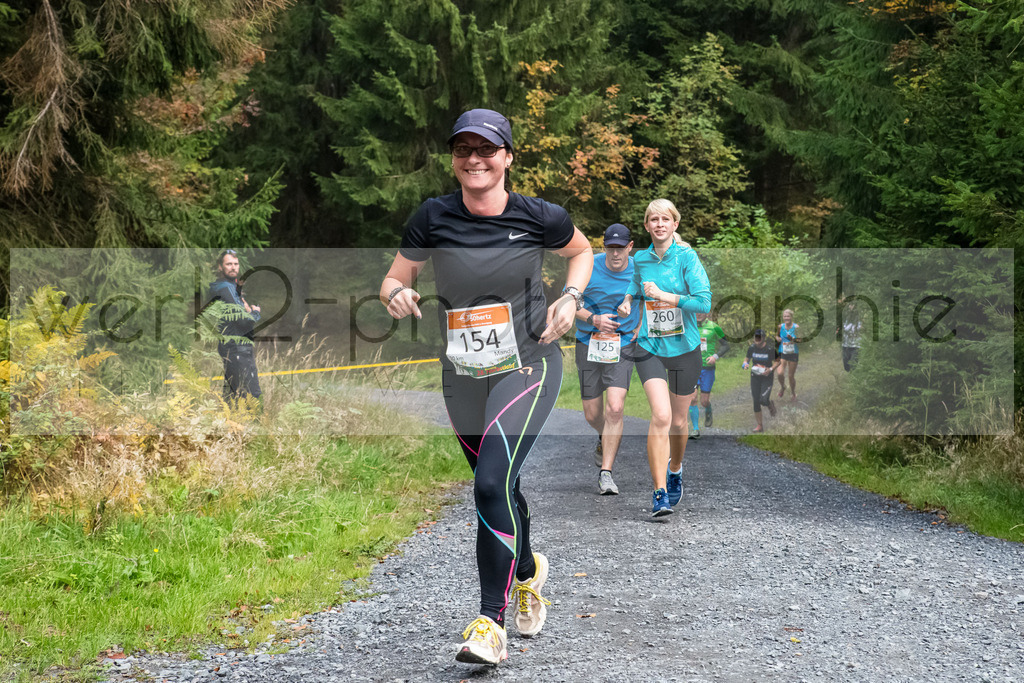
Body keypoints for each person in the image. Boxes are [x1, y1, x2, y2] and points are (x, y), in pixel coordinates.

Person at [380, 109, 593, 666]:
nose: (474, 159)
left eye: (487, 149)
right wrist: (395, 295)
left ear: (508, 157)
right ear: (453, 159)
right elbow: (396, 277)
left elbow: (582, 252)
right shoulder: (433, 216)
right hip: (463, 374)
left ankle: (487, 625)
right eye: (463, 149)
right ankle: (527, 571)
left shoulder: (539, 215)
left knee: (491, 480)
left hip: (529, 363)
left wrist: (570, 298)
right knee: (496, 484)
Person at [617, 199, 711, 518]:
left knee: (680, 421)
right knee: (661, 415)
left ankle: (676, 467)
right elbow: (635, 282)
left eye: (665, 219)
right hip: (650, 346)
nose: (659, 224)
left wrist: (665, 297)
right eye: (653, 219)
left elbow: (704, 303)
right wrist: (630, 299)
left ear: (675, 225)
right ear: (646, 226)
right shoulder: (641, 258)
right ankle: (659, 494)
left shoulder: (686, 257)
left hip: (685, 349)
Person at [574, 223, 641, 495]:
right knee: (593, 414)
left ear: (630, 246)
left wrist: (640, 328)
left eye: (621, 248)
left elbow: (652, 300)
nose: (615, 253)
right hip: (588, 341)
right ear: (604, 247)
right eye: (610, 248)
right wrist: (594, 318)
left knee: (615, 408)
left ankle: (606, 473)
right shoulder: (589, 266)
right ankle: (603, 435)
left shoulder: (640, 268)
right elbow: (571, 302)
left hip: (623, 344)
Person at [207, 250, 262, 404]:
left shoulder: (230, 287)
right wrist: (256, 313)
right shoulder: (225, 288)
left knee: (233, 393)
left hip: (234, 345)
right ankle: (255, 425)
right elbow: (242, 320)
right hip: (236, 347)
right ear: (220, 267)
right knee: (253, 394)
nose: (233, 267)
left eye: (235, 264)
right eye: (229, 264)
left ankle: (230, 425)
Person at [691, 311, 730, 436]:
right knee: (692, 398)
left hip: (707, 368)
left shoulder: (714, 327)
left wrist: (715, 356)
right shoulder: (689, 326)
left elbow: (726, 345)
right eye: (696, 312)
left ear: (707, 313)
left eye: (702, 312)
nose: (699, 314)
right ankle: (695, 429)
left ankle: (708, 410)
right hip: (692, 367)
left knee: (704, 401)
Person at [743, 328, 779, 433]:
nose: (757, 339)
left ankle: (769, 404)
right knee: (756, 401)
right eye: (756, 337)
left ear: (763, 338)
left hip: (767, 377)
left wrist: (771, 369)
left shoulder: (769, 349)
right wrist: (745, 364)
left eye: (759, 337)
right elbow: (747, 359)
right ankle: (760, 425)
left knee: (763, 399)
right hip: (755, 377)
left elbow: (778, 361)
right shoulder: (752, 348)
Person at [776, 308, 802, 401]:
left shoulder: (796, 327)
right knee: (779, 373)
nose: (786, 318)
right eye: (785, 316)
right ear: (783, 317)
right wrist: (778, 338)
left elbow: (800, 340)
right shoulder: (780, 326)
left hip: (793, 353)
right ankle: (783, 387)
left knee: (790, 376)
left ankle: (793, 392)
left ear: (791, 317)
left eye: (788, 316)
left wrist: (793, 339)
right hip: (782, 352)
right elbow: (777, 335)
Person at [839, 300, 862, 372]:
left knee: (853, 363)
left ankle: (853, 379)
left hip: (856, 344)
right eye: (849, 305)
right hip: (846, 344)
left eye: (852, 305)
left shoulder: (859, 317)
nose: (850, 307)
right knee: (846, 364)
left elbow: (862, 328)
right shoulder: (845, 316)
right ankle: (849, 376)